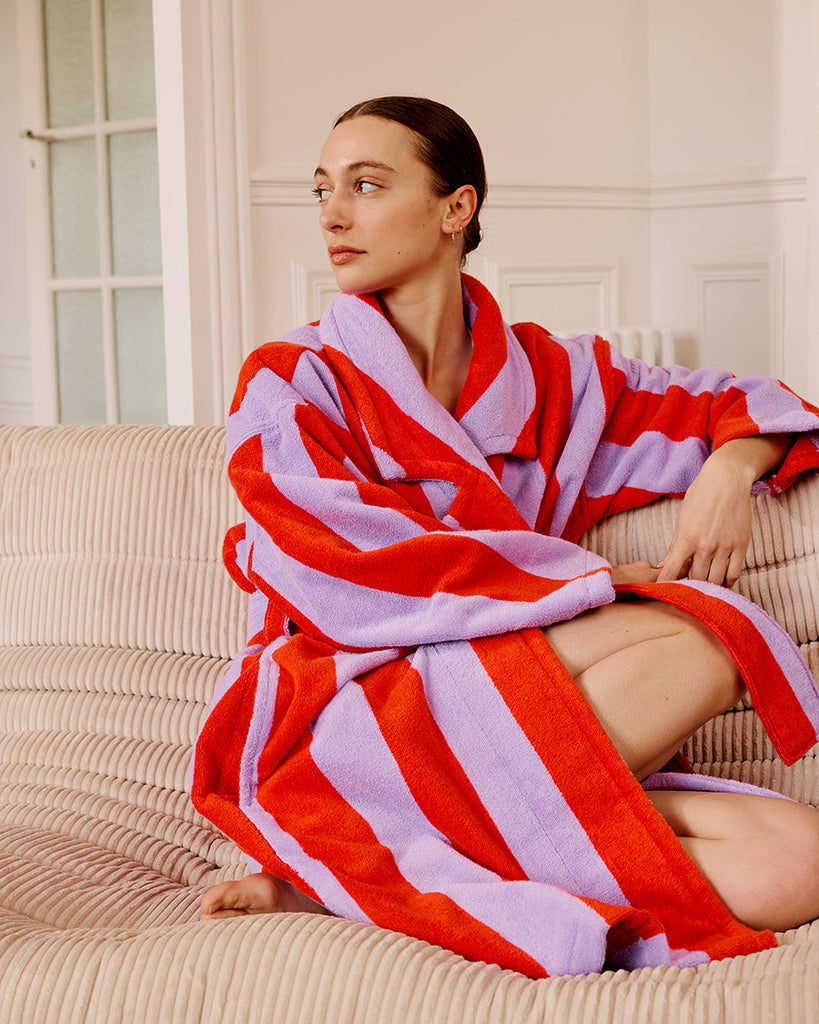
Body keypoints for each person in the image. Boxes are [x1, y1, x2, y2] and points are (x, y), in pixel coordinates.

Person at [191, 96, 819, 977]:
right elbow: (340, 570)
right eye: (323, 189)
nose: (331, 215)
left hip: (513, 704)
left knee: (798, 861)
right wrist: (583, 584)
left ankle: (377, 870)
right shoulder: (293, 381)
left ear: (456, 208)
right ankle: (374, 840)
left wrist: (731, 467)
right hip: (356, 700)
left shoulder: (554, 381)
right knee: (706, 638)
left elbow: (745, 405)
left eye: (365, 186)